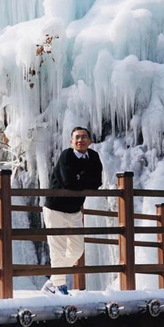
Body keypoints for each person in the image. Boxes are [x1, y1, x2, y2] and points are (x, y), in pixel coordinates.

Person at [41, 126, 103, 295]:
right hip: (55, 209)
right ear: (71, 141)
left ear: (90, 141)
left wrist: (79, 179)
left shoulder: (93, 157)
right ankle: (60, 286)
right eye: (77, 137)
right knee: (58, 249)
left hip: (75, 210)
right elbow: (68, 182)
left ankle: (52, 281)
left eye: (84, 137)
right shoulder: (66, 155)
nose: (80, 140)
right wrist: (84, 180)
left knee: (77, 250)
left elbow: (97, 182)